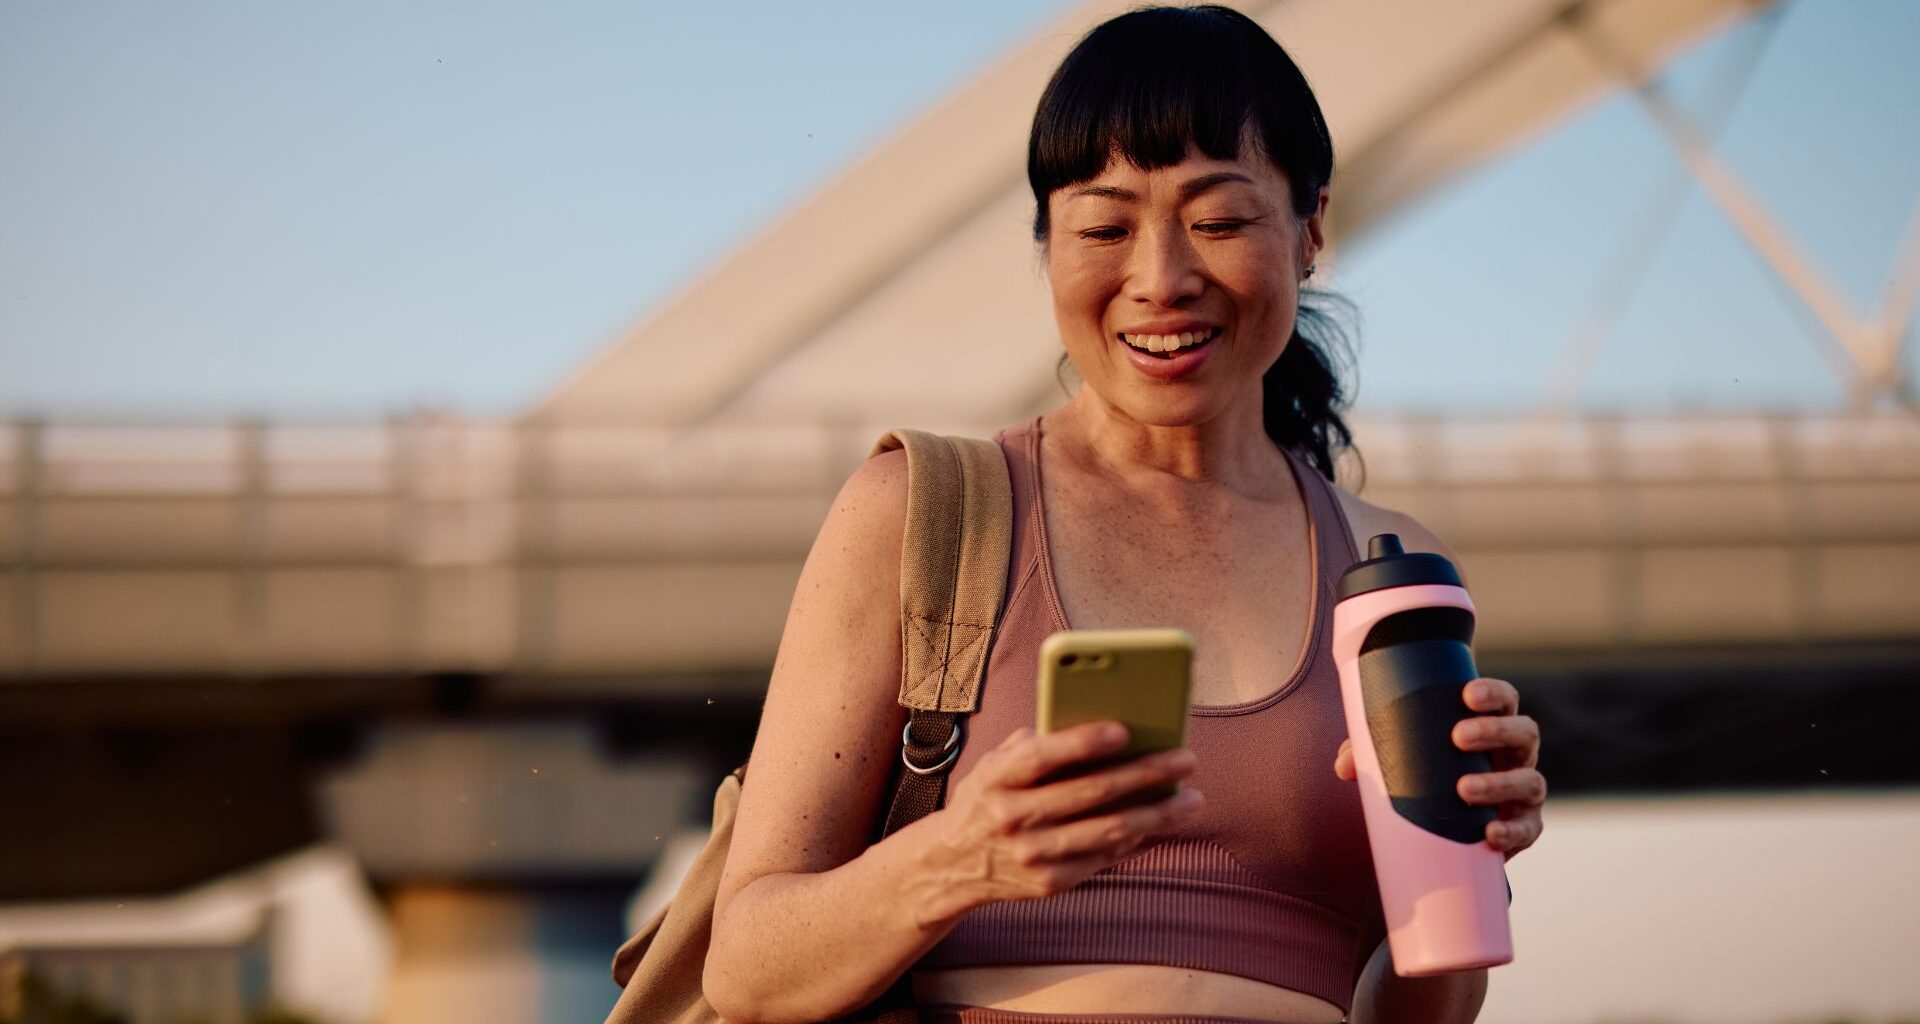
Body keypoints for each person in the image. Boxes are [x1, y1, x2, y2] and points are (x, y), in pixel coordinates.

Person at [702, 7, 1546, 1024]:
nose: (1160, 280)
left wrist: (1460, 857)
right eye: (1104, 227)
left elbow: (1419, 1014)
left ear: (1312, 226)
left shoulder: (1389, 566)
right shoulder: (926, 515)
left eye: (1220, 221)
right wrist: (959, 858)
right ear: (1047, 246)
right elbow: (745, 973)